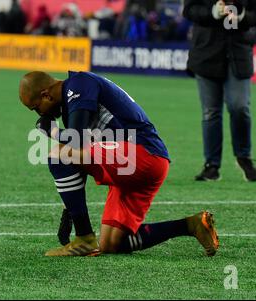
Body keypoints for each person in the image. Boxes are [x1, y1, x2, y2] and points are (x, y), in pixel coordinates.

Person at [18, 71, 219, 257]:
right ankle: (191, 225)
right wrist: (69, 212)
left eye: (36, 108)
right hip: (144, 163)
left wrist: (51, 132)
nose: (40, 115)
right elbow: (77, 158)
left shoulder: (78, 83)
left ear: (46, 95)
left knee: (57, 154)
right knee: (113, 244)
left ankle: (84, 238)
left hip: (141, 154)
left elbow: (76, 141)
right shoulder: (73, 103)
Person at [183, 0, 256, 182]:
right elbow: (189, 10)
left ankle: (243, 156)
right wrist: (213, 12)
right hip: (206, 53)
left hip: (238, 54)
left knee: (239, 107)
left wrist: (243, 16)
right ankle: (212, 166)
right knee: (210, 113)